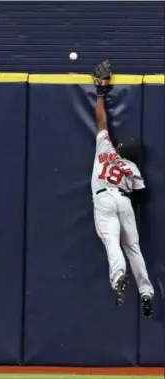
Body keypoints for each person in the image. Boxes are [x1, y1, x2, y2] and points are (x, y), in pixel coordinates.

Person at [91, 60, 154, 318]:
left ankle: (118, 278)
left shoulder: (105, 149)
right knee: (134, 249)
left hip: (105, 200)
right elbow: (143, 196)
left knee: (111, 243)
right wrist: (131, 187)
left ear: (118, 149)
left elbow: (101, 122)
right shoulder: (133, 168)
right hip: (124, 201)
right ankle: (146, 292)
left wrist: (101, 92)